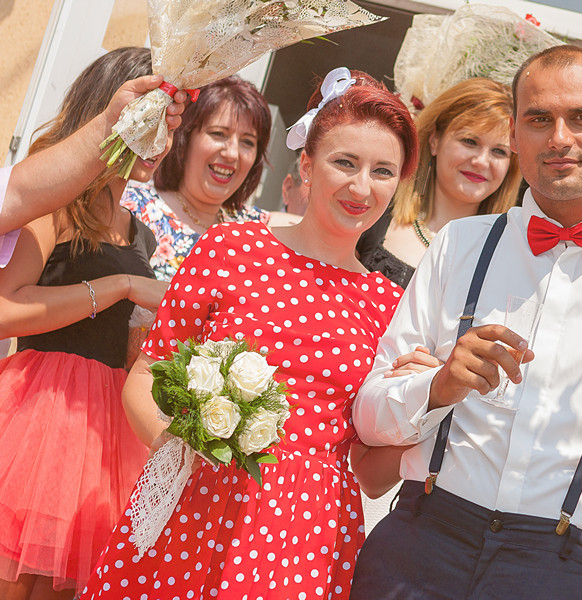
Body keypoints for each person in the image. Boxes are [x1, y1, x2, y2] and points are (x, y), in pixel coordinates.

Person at [350, 44, 582, 599]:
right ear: (516, 130)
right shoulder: (460, 244)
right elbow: (369, 418)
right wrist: (438, 386)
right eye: (539, 119)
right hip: (421, 541)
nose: (559, 138)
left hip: (562, 567)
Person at [80, 67, 419, 600]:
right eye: (344, 162)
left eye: (383, 171)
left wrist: (436, 404)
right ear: (306, 165)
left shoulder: (391, 305)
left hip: (306, 538)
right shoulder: (231, 248)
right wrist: (178, 448)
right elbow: (146, 375)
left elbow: (370, 473)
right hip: (193, 504)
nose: (361, 187)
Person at [0, 47, 170, 600]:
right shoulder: (54, 207)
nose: (161, 139)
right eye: (152, 119)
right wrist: (117, 288)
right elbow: (3, 311)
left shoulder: (142, 231)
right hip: (40, 409)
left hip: (108, 429)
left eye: (170, 125)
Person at [0, 77, 186, 266]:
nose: (158, 143)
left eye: (169, 130)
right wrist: (125, 286)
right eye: (150, 124)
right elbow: (16, 195)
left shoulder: (143, 235)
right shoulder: (53, 211)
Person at [356, 77, 521, 288]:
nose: (481, 161)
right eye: (469, 141)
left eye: (499, 151)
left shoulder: (513, 257)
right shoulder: (374, 214)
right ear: (435, 140)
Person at [121, 76, 271, 281]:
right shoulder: (132, 206)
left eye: (247, 142)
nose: (232, 153)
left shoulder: (255, 228)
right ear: (185, 139)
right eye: (219, 134)